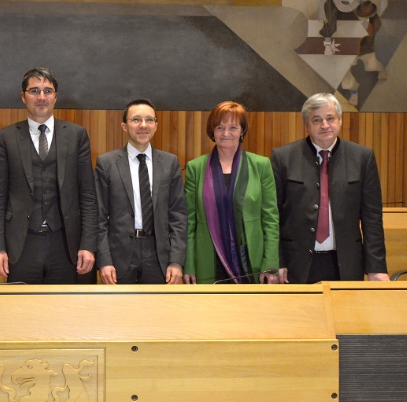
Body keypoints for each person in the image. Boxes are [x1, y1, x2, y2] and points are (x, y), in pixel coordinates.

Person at [0, 67, 98, 284]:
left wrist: (88, 244)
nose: (41, 97)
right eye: (34, 91)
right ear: (23, 96)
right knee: (22, 304)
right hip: (21, 244)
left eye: (47, 91)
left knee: (64, 305)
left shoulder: (76, 135)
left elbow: (88, 195)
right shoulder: (6, 137)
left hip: (66, 244)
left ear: (55, 97)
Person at [271, 93, 388, 283]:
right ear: (307, 125)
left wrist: (376, 268)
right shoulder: (283, 158)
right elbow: (272, 215)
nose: (325, 125)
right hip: (296, 263)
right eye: (317, 120)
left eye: (330, 118)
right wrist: (276, 261)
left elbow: (372, 218)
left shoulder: (362, 158)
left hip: (346, 263)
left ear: (340, 121)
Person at [183, 101, 279, 284]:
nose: (226, 133)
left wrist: (271, 263)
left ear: (242, 131)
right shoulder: (195, 168)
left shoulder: (261, 165)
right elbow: (189, 222)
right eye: (220, 127)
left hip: (251, 260)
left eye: (233, 127)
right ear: (212, 131)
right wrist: (188, 264)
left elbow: (271, 220)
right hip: (208, 259)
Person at [95, 99, 187, 284]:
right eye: (136, 120)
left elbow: (178, 216)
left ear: (156, 125)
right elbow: (98, 217)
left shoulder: (170, 163)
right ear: (124, 126)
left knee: (157, 303)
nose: (143, 125)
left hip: (159, 255)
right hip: (119, 256)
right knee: (119, 304)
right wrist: (104, 261)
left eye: (149, 120)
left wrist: (176, 261)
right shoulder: (107, 163)